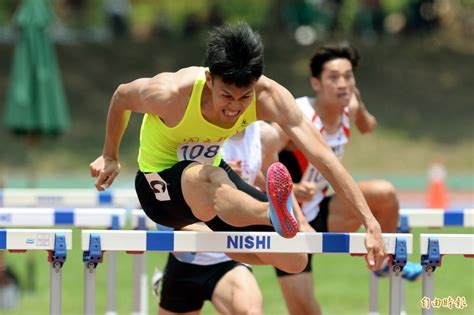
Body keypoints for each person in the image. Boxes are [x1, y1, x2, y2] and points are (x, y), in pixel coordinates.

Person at [89, 21, 386, 274]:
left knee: (294, 259)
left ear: (255, 84)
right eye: (226, 96)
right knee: (208, 176)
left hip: (213, 192)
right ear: (208, 79)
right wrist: (110, 155)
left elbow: (322, 156)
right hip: (159, 187)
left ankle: (227, 236)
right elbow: (120, 97)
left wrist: (370, 223)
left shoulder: (268, 95)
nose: (234, 108)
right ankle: (273, 213)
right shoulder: (169, 93)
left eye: (244, 98)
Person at [273, 43, 422, 315]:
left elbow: (368, 127)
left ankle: (384, 262)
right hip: (288, 217)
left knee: (384, 194)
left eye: (348, 76)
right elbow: (260, 155)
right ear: (315, 83)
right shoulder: (297, 116)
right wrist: (289, 187)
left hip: (321, 210)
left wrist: (357, 106)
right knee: (305, 311)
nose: (342, 83)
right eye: (333, 77)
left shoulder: (348, 105)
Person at [154, 121, 278, 315]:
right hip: (186, 259)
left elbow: (267, 178)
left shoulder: (264, 134)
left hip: (228, 259)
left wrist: (236, 180)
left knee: (251, 312)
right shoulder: (190, 132)